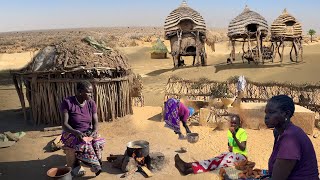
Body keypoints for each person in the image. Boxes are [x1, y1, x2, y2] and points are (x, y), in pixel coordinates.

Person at [265, 95, 319, 179]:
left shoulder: (290, 139)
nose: (266, 117)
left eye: (271, 112)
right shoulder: (279, 133)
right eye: (266, 112)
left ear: (286, 114)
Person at [174, 114, 248, 175]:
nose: (233, 125)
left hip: (241, 157)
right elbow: (230, 145)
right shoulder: (230, 132)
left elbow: (243, 148)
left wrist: (234, 136)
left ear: (239, 124)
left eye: (235, 123)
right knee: (214, 160)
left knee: (216, 163)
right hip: (232, 154)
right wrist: (230, 147)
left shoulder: (242, 132)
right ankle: (187, 166)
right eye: (232, 123)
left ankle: (187, 169)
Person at [60, 80, 105, 176]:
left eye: (91, 92)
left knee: (97, 142)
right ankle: (93, 166)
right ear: (80, 91)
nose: (91, 94)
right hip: (71, 133)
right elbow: (64, 124)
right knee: (85, 144)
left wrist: (94, 131)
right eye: (88, 92)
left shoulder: (91, 103)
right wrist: (76, 133)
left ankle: (95, 162)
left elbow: (95, 121)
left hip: (87, 131)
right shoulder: (67, 102)